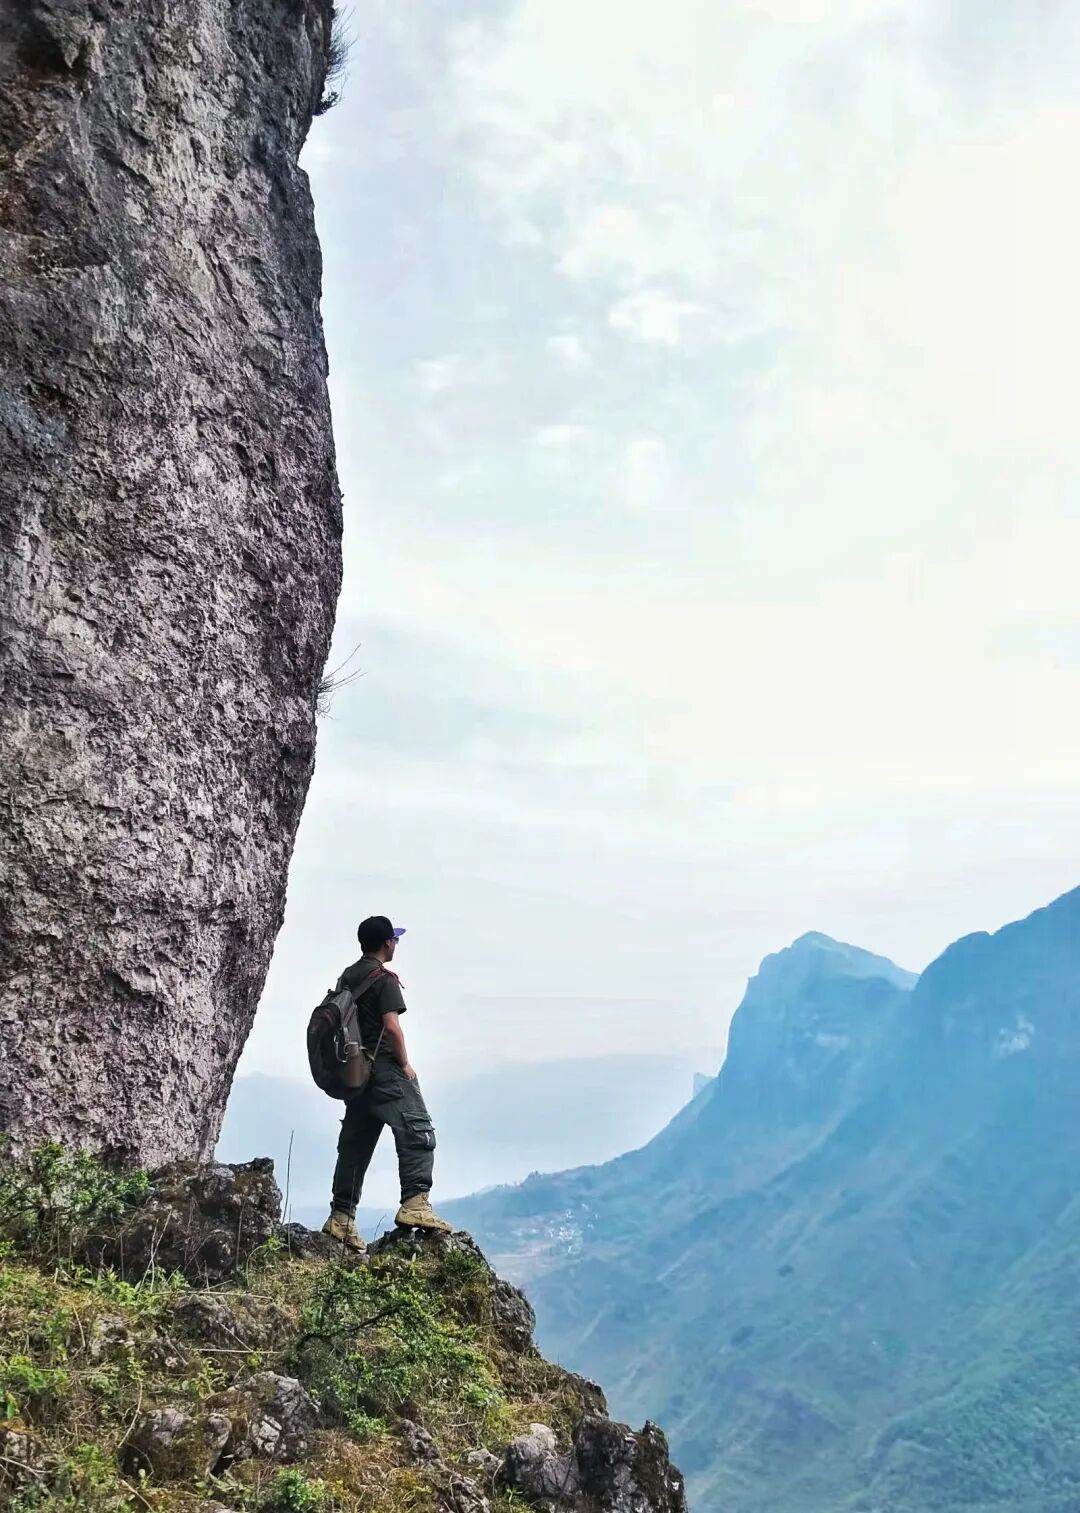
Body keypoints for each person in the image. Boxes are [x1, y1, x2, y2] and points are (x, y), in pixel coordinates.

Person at [322, 915, 452, 1252]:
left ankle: (341, 1216)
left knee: (356, 1143)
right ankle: (415, 1203)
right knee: (418, 1129)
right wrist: (405, 1064)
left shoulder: (347, 976)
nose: (396, 944)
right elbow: (391, 1027)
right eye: (394, 939)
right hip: (383, 1067)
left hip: (356, 1072)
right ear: (386, 943)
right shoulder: (383, 980)